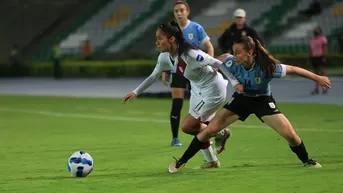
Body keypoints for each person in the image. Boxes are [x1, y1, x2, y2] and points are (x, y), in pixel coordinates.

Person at [168, 36, 331, 173]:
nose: (234, 56)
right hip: (241, 100)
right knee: (209, 130)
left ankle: (306, 160)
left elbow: (294, 69)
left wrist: (318, 78)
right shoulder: (231, 62)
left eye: (238, 52)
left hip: (262, 101)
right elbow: (219, 59)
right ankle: (181, 161)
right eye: (233, 52)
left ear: (250, 53)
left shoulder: (268, 67)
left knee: (290, 135)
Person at [122, 21, 243, 169]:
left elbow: (217, 63)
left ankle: (217, 136)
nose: (157, 42)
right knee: (195, 127)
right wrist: (136, 92)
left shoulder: (191, 55)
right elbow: (153, 76)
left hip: (213, 90)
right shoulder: (164, 57)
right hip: (197, 89)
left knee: (187, 126)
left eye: (160, 38)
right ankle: (213, 154)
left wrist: (234, 82)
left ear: (171, 39)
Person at [161, 0, 215, 147]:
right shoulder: (171, 29)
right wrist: (164, 70)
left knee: (203, 105)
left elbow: (209, 46)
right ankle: (175, 138)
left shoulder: (196, 28)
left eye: (181, 10)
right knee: (177, 104)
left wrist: (209, 62)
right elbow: (166, 50)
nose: (179, 13)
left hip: (196, 72)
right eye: (176, 11)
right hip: (177, 71)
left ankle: (207, 134)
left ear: (187, 12)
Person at [310, 27, 328, 94]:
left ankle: (325, 87)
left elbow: (325, 48)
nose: (315, 32)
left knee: (323, 73)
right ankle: (316, 88)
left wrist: (324, 56)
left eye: (317, 30)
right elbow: (311, 49)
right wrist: (310, 56)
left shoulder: (323, 38)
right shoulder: (312, 40)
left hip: (320, 56)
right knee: (315, 74)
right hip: (314, 57)